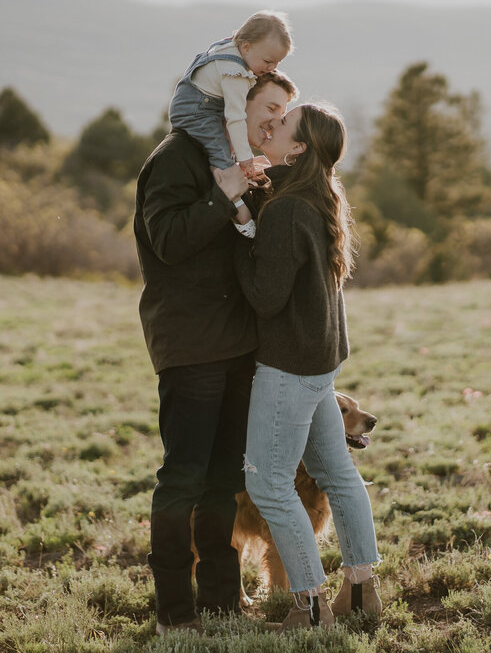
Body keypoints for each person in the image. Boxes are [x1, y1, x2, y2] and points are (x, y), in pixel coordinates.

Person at [134, 71, 298, 636]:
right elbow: (168, 240)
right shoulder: (178, 156)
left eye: (284, 115)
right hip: (189, 341)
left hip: (238, 345)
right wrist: (222, 194)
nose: (275, 123)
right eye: (269, 110)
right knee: (183, 478)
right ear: (238, 104)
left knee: (225, 478)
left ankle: (225, 604)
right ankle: (175, 612)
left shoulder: (245, 163)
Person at [234, 103, 382, 631]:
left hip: (290, 363)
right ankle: (362, 592)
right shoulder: (321, 194)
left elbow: (265, 298)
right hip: (322, 359)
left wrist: (241, 232)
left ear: (297, 148)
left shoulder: (287, 209)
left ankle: (310, 607)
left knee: (270, 484)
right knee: (339, 474)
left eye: (282, 124)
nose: (270, 127)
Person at [168, 10, 293, 181]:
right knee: (221, 155)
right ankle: (232, 189)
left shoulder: (228, 47)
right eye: (267, 61)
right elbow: (236, 117)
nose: (271, 68)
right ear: (246, 47)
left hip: (188, 100)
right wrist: (245, 158)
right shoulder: (236, 74)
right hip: (197, 111)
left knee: (221, 149)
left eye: (277, 63)